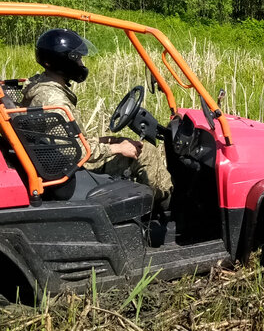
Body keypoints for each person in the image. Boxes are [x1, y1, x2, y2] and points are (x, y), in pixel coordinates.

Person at [22, 28, 172, 206]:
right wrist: (116, 149)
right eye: (77, 58)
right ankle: (163, 204)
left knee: (122, 141)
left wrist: (105, 140)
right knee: (146, 152)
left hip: (56, 160)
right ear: (64, 62)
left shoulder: (41, 85)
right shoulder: (54, 101)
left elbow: (65, 140)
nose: (81, 63)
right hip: (72, 168)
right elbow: (75, 153)